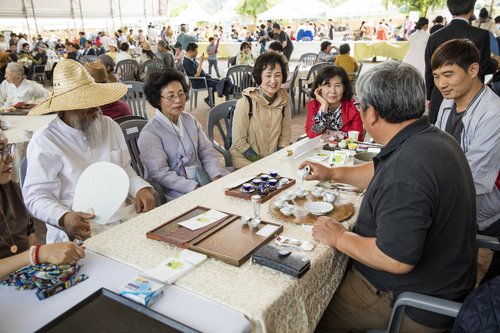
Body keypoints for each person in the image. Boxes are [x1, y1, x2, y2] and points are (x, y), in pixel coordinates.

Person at [301, 60, 477, 333]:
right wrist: (333, 173)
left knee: (307, 313)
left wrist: (339, 237)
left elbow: (395, 259)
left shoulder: (406, 170)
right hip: (444, 279)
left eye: (361, 106)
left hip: (405, 298)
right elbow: (378, 169)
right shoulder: (429, 138)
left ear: (371, 113)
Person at [22, 60, 156, 244]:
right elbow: (36, 196)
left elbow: (124, 168)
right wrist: (63, 216)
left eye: (97, 103)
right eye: (89, 105)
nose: (96, 110)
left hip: (126, 215)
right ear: (67, 107)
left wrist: (140, 187)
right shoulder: (45, 141)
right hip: (79, 229)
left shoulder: (109, 125)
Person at [432, 39, 500, 281]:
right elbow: (438, 149)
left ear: (473, 70)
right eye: (437, 76)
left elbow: (475, 177)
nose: (441, 84)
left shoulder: (493, 113)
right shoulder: (448, 102)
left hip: (480, 217)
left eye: (448, 75)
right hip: (450, 202)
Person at [0, 130, 85, 279]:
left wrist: (34, 264)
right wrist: (37, 255)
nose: (11, 157)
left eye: (7, 148)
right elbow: (34, 253)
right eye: (1, 151)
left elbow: (29, 232)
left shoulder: (11, 188)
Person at [137, 69, 227, 201]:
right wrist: (194, 187)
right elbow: (160, 173)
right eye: (171, 96)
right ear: (157, 100)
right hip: (176, 191)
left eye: (181, 94)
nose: (178, 100)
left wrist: (215, 176)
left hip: (204, 179)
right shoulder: (150, 133)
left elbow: (205, 151)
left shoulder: (189, 119)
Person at [424, 0, 499, 124]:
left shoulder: (434, 36)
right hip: (470, 98)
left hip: (438, 96)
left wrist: (429, 96)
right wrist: (496, 62)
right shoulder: (481, 35)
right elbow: (485, 66)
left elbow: (429, 70)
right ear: (471, 10)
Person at [229, 52, 291, 169]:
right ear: (259, 76)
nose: (273, 81)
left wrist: (277, 160)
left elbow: (285, 137)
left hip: (273, 161)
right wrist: (262, 164)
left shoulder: (284, 101)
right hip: (246, 163)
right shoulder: (245, 103)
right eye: (268, 76)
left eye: (277, 75)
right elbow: (239, 142)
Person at [305, 65, 362, 141]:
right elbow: (312, 134)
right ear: (319, 87)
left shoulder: (353, 106)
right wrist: (324, 106)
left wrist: (332, 134)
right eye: (328, 85)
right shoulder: (313, 105)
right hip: (320, 150)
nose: (333, 91)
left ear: (344, 88)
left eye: (337, 86)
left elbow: (357, 136)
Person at [182, 42, 219, 107]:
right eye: (196, 51)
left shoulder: (191, 59)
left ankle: (209, 100)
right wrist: (201, 62)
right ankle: (211, 101)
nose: (197, 53)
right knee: (219, 84)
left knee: (219, 81)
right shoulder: (187, 62)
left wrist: (205, 73)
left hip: (203, 79)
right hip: (199, 82)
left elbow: (198, 70)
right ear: (190, 52)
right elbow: (197, 75)